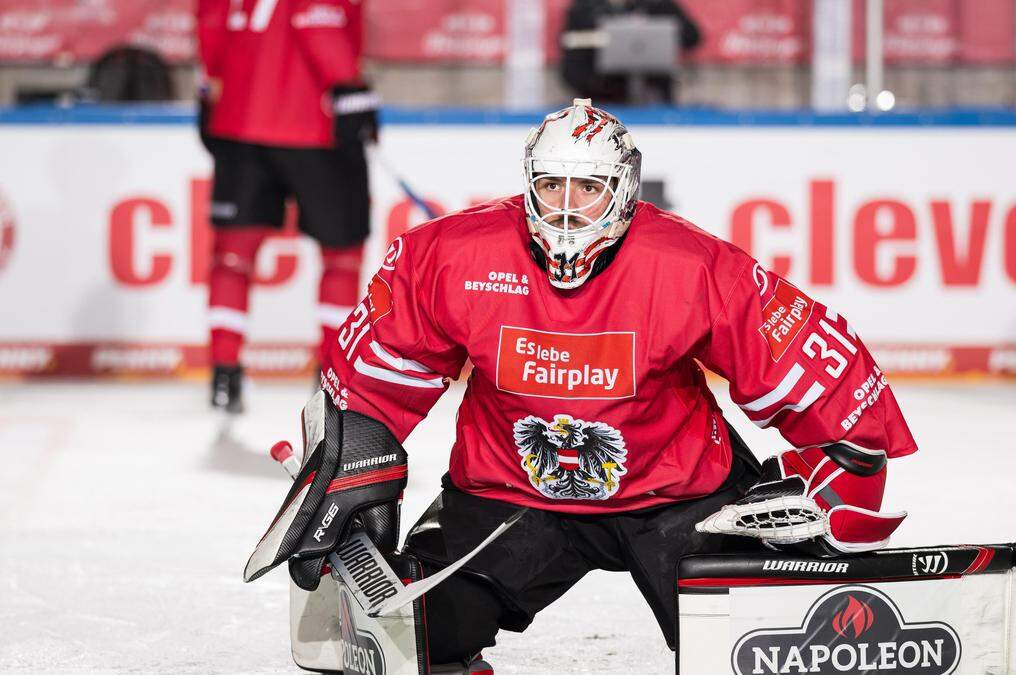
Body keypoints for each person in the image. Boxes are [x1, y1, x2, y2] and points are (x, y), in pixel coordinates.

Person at [244, 99, 917, 670]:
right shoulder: (451, 255)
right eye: (552, 186)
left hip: (678, 496)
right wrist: (347, 460)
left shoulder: (689, 264)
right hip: (511, 495)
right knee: (402, 644)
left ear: (623, 188)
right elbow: (374, 377)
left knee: (772, 650)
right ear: (528, 183)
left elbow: (809, 360)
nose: (566, 208)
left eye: (588, 188)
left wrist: (845, 466)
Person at [195, 0, 379, 412]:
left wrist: (211, 94)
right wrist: (348, 85)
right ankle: (333, 376)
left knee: (231, 257)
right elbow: (318, 19)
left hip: (238, 123)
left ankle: (224, 375)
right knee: (341, 256)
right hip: (312, 125)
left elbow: (210, 28)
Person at [560, 0, 701, 104]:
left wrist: (658, 32)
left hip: (653, 92)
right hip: (599, 94)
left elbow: (692, 37)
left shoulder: (658, 5)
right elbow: (570, 46)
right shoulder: (585, 8)